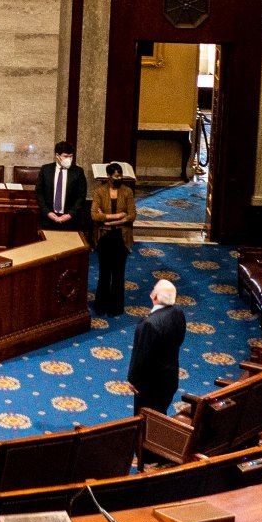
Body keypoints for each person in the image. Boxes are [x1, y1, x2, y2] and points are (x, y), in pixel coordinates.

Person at [128, 278, 187, 412]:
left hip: (150, 385)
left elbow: (142, 355)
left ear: (154, 296)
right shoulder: (178, 312)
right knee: (160, 415)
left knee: (146, 421)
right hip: (170, 378)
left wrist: (133, 380)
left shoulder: (149, 324)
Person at [93, 163, 136, 317]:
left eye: (120, 175)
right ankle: (101, 305)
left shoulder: (127, 192)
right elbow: (94, 215)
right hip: (104, 237)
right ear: (109, 177)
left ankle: (115, 307)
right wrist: (118, 216)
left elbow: (132, 215)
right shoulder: (99, 191)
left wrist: (110, 221)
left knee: (118, 273)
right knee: (104, 273)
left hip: (121, 237)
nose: (119, 178)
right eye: (116, 176)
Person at [35, 141, 91, 233]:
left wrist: (70, 215)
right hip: (48, 219)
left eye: (71, 156)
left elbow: (81, 196)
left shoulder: (78, 171)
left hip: (70, 220)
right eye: (65, 156)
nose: (69, 159)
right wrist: (48, 212)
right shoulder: (45, 170)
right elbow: (39, 193)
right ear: (57, 156)